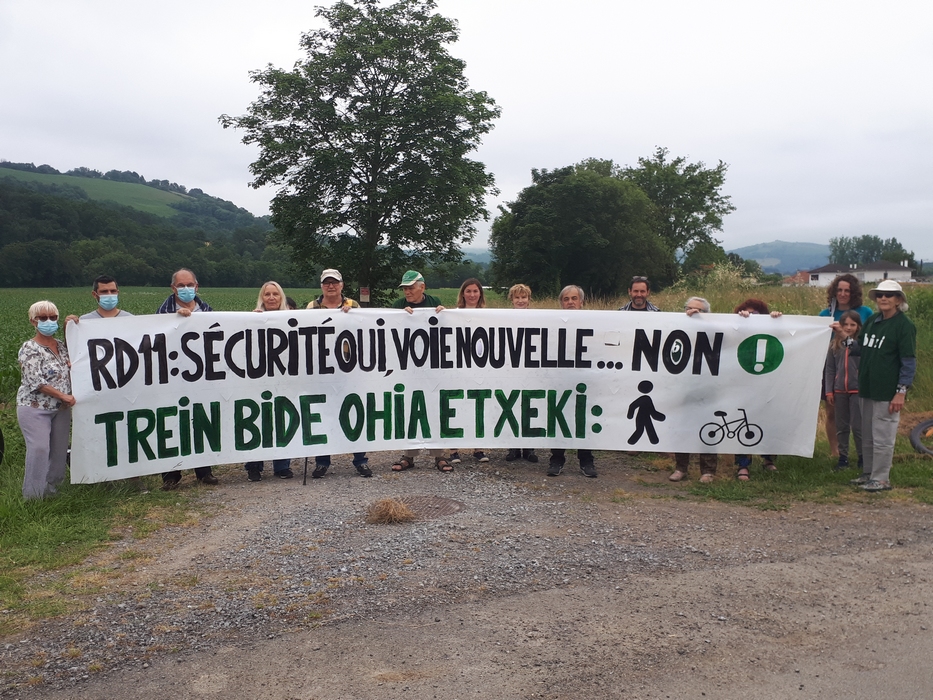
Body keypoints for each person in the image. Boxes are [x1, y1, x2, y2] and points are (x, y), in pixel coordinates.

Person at [849, 281, 916, 492]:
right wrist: (844, 338)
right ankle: (868, 473)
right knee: (868, 434)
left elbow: (908, 361)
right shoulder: (872, 321)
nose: (883, 298)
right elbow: (861, 348)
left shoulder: (904, 325)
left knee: (883, 435)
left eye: (889, 295)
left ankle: (881, 478)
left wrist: (901, 391)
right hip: (867, 387)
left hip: (887, 390)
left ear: (898, 300)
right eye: (879, 295)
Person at [306, 270, 371, 478]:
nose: (331, 286)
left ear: (342, 285)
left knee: (354, 411)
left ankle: (360, 460)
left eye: (334, 282)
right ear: (321, 286)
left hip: (348, 366)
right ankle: (322, 461)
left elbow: (364, 330)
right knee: (323, 412)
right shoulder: (312, 307)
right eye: (327, 283)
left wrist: (351, 317)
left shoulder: (353, 305)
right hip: (322, 367)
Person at [157, 269, 218, 488]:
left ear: (197, 286)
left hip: (202, 376)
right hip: (172, 375)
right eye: (181, 285)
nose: (186, 289)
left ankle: (204, 471)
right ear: (173, 288)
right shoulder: (162, 313)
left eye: (190, 285)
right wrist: (176, 319)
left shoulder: (208, 311)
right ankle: (171, 475)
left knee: (201, 420)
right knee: (171, 422)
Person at [391, 270, 450, 472]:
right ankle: (409, 455)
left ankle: (439, 455)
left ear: (422, 287)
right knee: (410, 408)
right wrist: (400, 317)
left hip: (432, 365)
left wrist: (444, 314)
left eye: (411, 288)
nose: (407, 292)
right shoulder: (398, 305)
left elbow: (444, 328)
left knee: (434, 407)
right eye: (405, 288)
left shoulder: (434, 302)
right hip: (407, 365)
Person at [17, 301, 74, 499]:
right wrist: (63, 395)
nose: (48, 321)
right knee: (40, 449)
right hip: (35, 408)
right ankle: (32, 497)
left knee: (59, 451)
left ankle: (52, 491)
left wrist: (68, 327)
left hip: (61, 409)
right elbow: (35, 381)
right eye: (43, 318)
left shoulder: (61, 346)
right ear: (33, 321)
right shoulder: (29, 348)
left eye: (53, 317)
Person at [243, 281, 296, 481]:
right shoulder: (252, 318)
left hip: (284, 377)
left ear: (281, 297)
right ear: (262, 297)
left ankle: (282, 466)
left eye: (275, 294)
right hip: (258, 378)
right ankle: (253, 466)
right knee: (257, 421)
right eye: (267, 294)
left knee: (282, 420)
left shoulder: (292, 318)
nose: (272, 298)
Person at [817, 274, 873, 456]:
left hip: (858, 367)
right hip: (834, 367)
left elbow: (870, 339)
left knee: (858, 414)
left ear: (853, 292)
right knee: (832, 411)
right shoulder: (825, 315)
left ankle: (861, 451)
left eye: (847, 290)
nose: (842, 294)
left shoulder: (866, 313)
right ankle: (836, 451)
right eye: (839, 290)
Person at [549, 285, 597, 478]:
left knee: (583, 420)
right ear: (561, 303)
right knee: (558, 418)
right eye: (566, 299)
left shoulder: (593, 322)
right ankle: (556, 458)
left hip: (584, 380)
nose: (570, 302)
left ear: (581, 302)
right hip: (559, 379)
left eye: (574, 298)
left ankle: (586, 460)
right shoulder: (551, 323)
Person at [669, 297, 718, 483]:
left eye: (697, 310)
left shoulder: (714, 329)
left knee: (708, 428)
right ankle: (681, 468)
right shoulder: (678, 328)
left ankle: (708, 470)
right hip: (684, 386)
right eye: (688, 308)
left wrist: (702, 321)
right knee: (683, 427)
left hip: (708, 387)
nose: (691, 312)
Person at [733, 298, 782, 480]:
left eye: (756, 313)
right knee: (743, 420)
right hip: (742, 382)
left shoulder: (770, 328)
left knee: (767, 419)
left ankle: (768, 459)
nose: (752, 316)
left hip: (766, 381)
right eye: (749, 312)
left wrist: (776, 320)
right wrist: (740, 320)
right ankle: (743, 464)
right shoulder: (736, 327)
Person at [450, 278, 490, 465]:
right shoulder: (453, 314)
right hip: (459, 367)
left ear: (480, 293)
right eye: (469, 291)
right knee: (457, 405)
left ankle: (478, 448)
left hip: (480, 367)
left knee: (478, 405)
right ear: (463, 293)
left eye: (475, 291)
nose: (472, 295)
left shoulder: (489, 315)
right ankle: (453, 449)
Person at [823, 310, 863, 472]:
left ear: (858, 326)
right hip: (839, 391)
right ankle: (843, 457)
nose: (848, 327)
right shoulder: (834, 345)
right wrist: (829, 391)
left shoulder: (861, 345)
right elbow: (830, 369)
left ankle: (862, 457)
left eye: (852, 324)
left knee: (858, 426)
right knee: (841, 426)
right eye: (845, 324)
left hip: (857, 390)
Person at [505, 284, 538, 464]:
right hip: (511, 368)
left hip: (531, 368)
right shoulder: (503, 318)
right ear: (512, 300)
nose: (520, 300)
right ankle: (513, 446)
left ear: (529, 299)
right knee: (512, 405)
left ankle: (529, 447)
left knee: (529, 406)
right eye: (517, 297)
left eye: (523, 297)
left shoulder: (538, 318)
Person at [65, 275, 134, 323]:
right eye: (104, 291)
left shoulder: (131, 319)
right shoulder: (84, 321)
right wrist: (69, 326)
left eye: (113, 291)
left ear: (117, 293)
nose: (109, 294)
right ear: (94, 294)